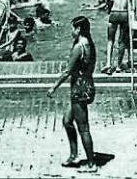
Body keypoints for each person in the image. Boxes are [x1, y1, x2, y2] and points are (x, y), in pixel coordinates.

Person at [47, 16, 97, 173]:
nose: (70, 31)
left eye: (72, 28)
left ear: (79, 29)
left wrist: (53, 87)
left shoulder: (79, 48)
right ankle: (74, 155)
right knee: (67, 121)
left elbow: (68, 71)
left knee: (83, 127)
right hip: (86, 85)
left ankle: (91, 164)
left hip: (79, 89)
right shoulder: (90, 44)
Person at [102, 0, 136, 75]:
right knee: (122, 42)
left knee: (110, 40)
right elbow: (133, 8)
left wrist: (109, 9)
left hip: (114, 13)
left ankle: (108, 64)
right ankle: (118, 65)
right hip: (125, 15)